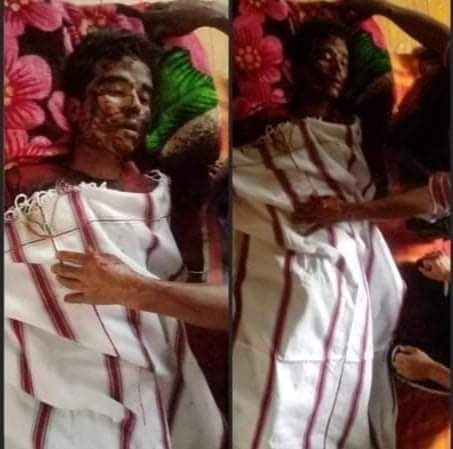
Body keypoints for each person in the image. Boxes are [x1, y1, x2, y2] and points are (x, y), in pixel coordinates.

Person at [5, 27, 226, 449]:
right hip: (31, 374)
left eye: (145, 96)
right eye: (117, 90)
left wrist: (132, 288)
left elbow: (222, 303)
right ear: (74, 107)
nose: (136, 106)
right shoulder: (26, 184)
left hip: (141, 380)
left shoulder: (164, 198)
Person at [232, 19, 405, 449]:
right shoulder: (263, 125)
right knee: (294, 296)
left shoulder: (355, 131)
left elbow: (363, 184)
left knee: (356, 289)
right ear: (295, 69)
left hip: (345, 228)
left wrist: (344, 211)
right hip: (275, 220)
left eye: (344, 61)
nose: (338, 68)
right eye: (327, 57)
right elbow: (244, 169)